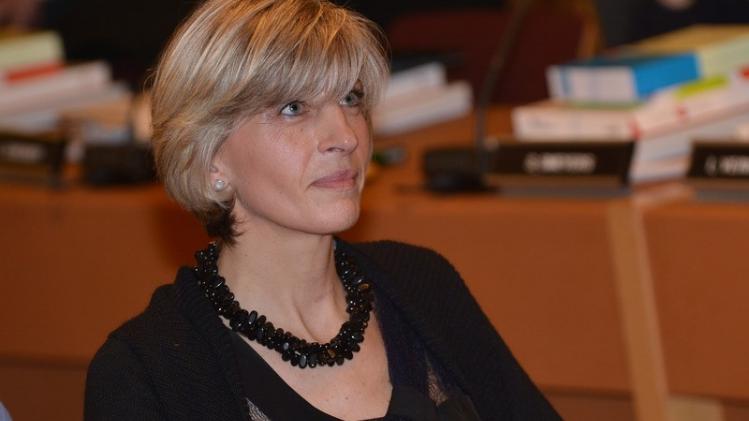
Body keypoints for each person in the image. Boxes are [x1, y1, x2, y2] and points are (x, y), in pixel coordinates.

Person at [84, 0, 560, 419]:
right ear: (209, 158)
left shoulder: (424, 286)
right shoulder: (148, 373)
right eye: (294, 108)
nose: (346, 136)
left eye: (350, 99)